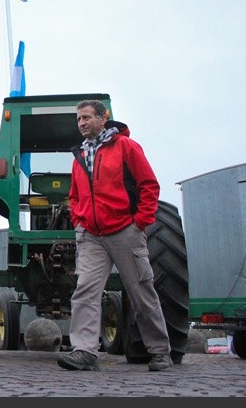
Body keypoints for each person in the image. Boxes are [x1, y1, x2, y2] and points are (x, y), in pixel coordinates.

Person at [56, 99, 172, 372]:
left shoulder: (126, 147)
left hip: (124, 231)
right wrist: (79, 221)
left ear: (102, 118)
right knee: (85, 292)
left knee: (141, 291)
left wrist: (139, 222)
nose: (81, 123)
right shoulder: (79, 156)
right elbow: (74, 195)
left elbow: (149, 185)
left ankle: (159, 352)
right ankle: (84, 351)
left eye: (86, 117)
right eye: (78, 119)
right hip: (91, 236)